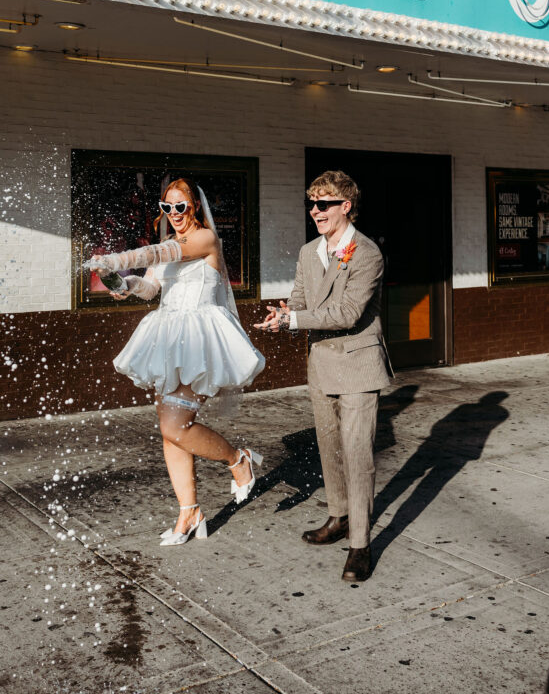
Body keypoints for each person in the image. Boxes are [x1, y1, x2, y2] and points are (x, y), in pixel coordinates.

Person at [87, 177, 265, 546]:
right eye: (166, 208)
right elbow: (149, 287)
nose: (173, 214)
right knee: (171, 431)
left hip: (199, 341)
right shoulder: (170, 245)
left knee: (175, 427)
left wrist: (116, 258)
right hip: (168, 340)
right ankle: (189, 511)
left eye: (180, 207)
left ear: (194, 208)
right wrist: (119, 282)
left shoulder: (205, 240)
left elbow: (155, 254)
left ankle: (238, 458)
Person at [256, 170, 393, 582]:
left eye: (324, 204)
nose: (315, 211)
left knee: (357, 455)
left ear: (345, 206)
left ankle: (360, 545)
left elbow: (348, 313)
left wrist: (294, 318)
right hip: (321, 365)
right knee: (329, 450)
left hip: (357, 366)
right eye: (311, 203)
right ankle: (338, 517)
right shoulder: (308, 252)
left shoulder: (366, 253)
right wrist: (282, 318)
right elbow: (299, 300)